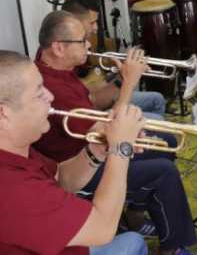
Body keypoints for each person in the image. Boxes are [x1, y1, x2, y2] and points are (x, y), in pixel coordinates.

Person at [34, 11, 197, 255]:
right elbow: (107, 136)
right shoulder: (52, 87)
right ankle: (172, 248)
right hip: (82, 170)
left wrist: (121, 79)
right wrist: (131, 82)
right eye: (82, 40)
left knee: (167, 141)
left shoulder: (58, 68)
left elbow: (91, 100)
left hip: (90, 151)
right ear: (58, 47)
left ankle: (135, 213)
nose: (89, 44)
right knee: (164, 172)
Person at [0, 49, 147, 254]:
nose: (50, 96)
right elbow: (102, 229)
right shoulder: (11, 189)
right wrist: (120, 149)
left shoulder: (16, 148)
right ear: (3, 113)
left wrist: (98, 149)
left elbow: (63, 180)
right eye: (39, 92)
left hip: (69, 243)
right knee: (135, 241)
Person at [62, 0, 167, 120]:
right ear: (74, 22)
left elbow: (87, 90)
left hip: (94, 104)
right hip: (97, 120)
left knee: (157, 99)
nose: (96, 28)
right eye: (92, 22)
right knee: (158, 120)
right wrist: (126, 80)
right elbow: (99, 110)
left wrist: (120, 76)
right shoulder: (65, 56)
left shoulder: (70, 50)